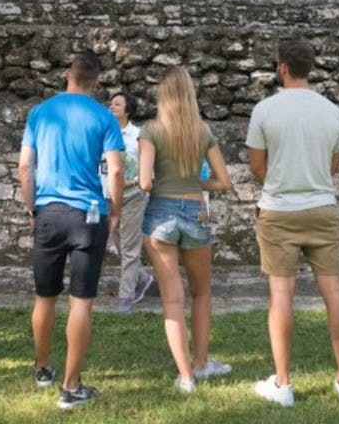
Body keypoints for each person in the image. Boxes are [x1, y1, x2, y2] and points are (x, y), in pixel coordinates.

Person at [247, 39, 339, 407]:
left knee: (281, 295)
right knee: (335, 293)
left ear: (282, 68)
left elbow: (258, 166)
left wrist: (282, 183)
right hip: (322, 208)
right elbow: (334, 165)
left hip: (279, 211)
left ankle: (283, 384)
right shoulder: (331, 112)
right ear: (310, 67)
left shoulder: (265, 109)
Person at [18, 50, 125, 411]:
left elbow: (24, 167)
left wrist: (31, 207)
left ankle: (42, 368)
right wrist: (116, 211)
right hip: (88, 215)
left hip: (48, 212)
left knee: (44, 296)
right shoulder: (104, 117)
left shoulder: (40, 113)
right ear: (97, 81)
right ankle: (71, 385)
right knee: (81, 301)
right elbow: (116, 170)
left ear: (68, 74)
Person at [138, 66, 233, 393]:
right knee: (202, 293)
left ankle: (186, 378)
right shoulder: (201, 130)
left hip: (160, 214)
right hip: (196, 212)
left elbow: (145, 182)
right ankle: (202, 363)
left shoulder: (151, 130)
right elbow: (224, 182)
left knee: (173, 301)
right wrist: (196, 183)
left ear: (162, 95)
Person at [107, 91, 154, 313]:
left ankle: (126, 297)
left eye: (117, 104)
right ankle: (143, 278)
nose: (111, 107)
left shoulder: (139, 135)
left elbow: (148, 166)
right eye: (111, 103)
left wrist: (134, 181)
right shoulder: (104, 132)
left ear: (128, 111)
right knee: (118, 243)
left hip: (133, 196)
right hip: (109, 197)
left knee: (130, 247)